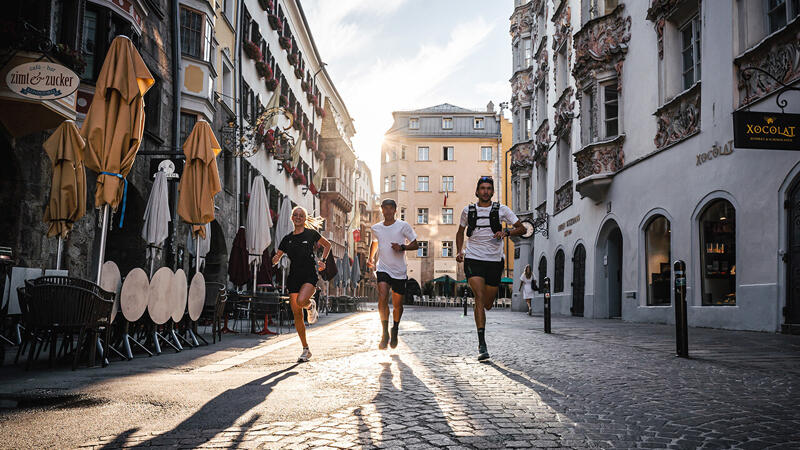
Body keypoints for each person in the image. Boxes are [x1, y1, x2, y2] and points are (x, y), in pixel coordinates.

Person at [456, 176, 525, 361]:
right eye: (482, 188)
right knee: (478, 297)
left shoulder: (502, 210)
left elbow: (522, 229)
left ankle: (484, 317)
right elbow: (460, 232)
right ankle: (482, 345)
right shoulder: (467, 210)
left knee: (487, 303)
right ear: (477, 191)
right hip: (473, 258)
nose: (485, 191)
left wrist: (506, 232)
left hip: (494, 260)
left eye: (489, 188)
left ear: (492, 192)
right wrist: (459, 251)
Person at [272, 206, 331, 362]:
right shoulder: (287, 239)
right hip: (293, 277)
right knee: (297, 314)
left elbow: (327, 245)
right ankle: (306, 349)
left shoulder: (311, 234)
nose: (298, 217)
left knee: (301, 301)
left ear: (305, 219)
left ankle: (311, 305)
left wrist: (323, 261)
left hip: (309, 275)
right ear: (292, 218)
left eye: (301, 215)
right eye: (295, 215)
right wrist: (275, 258)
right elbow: (278, 254)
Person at [367, 199, 418, 350]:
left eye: (391, 209)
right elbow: (375, 242)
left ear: (395, 210)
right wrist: (371, 257)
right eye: (385, 208)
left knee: (398, 305)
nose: (388, 211)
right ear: (382, 210)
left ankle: (394, 329)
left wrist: (402, 246)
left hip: (399, 271)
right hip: (383, 268)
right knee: (382, 295)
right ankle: (384, 333)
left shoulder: (403, 226)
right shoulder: (376, 228)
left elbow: (415, 243)